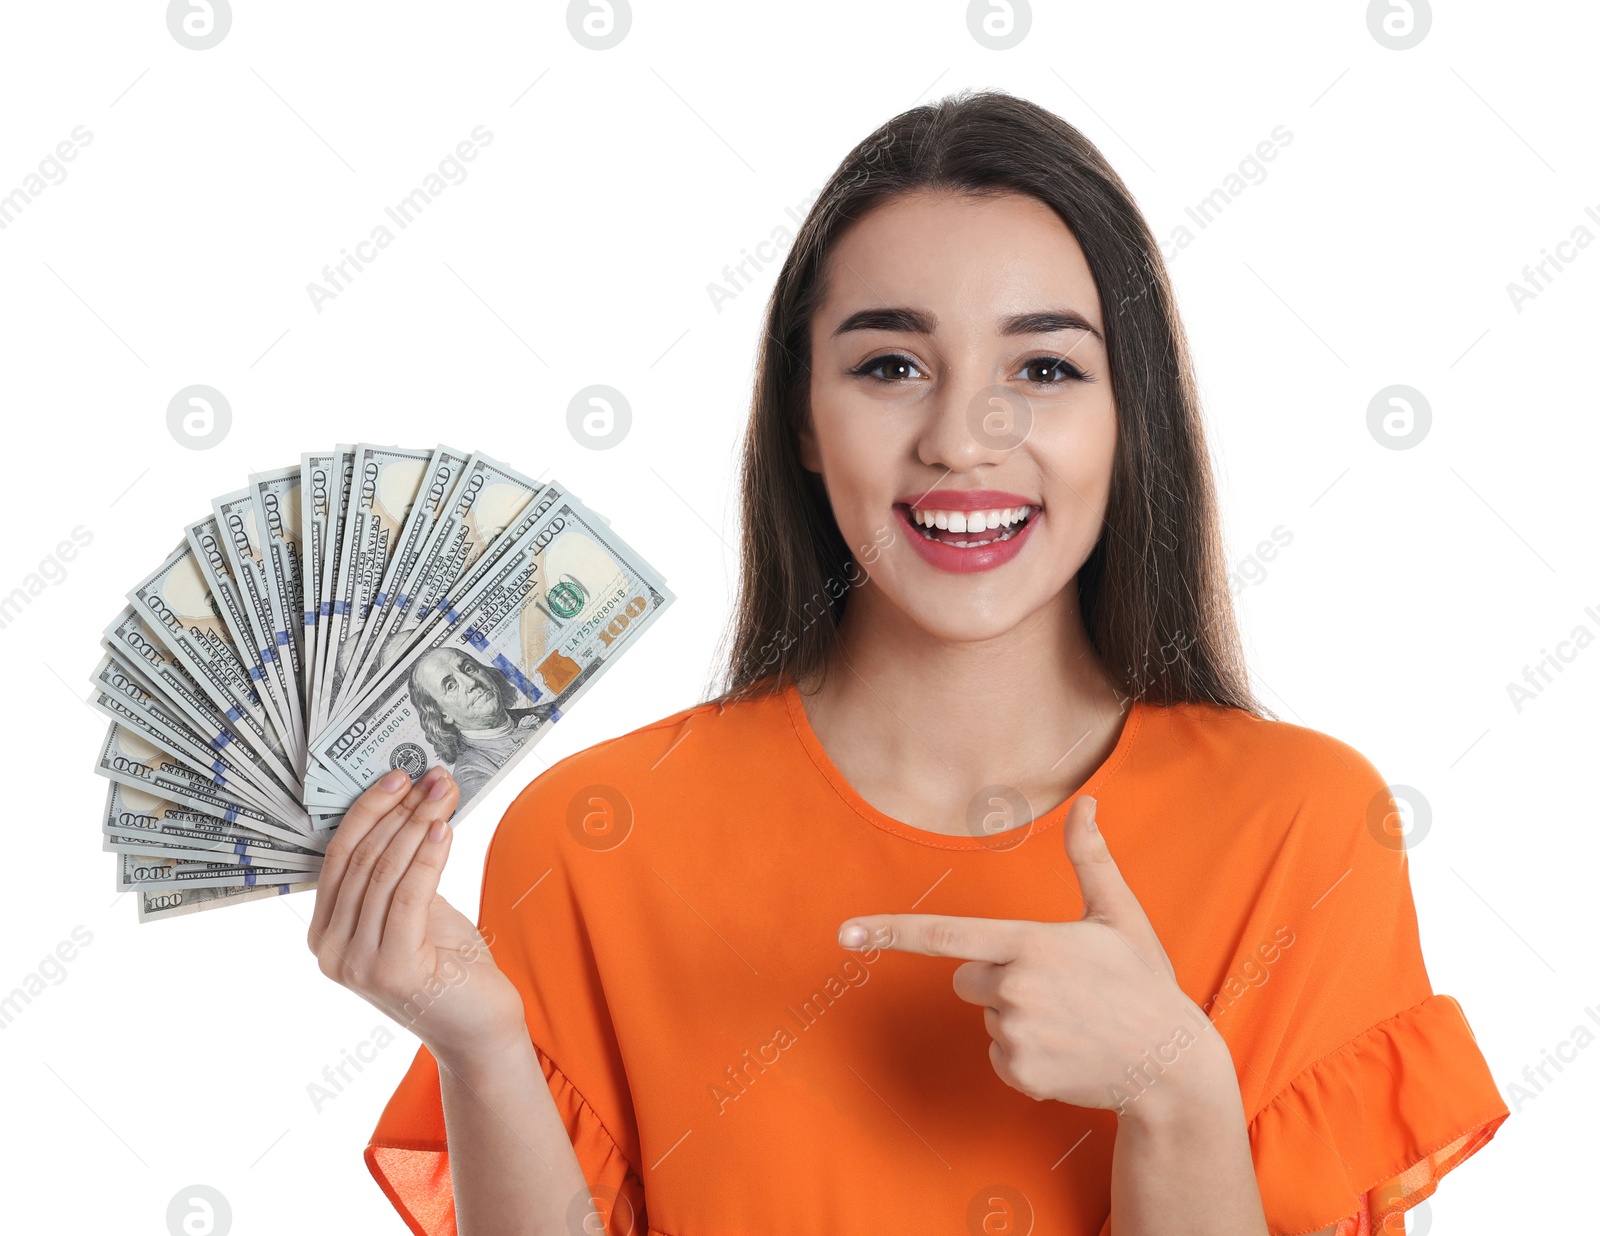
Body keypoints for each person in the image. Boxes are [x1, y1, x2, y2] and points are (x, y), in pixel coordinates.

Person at [308, 90, 1506, 1236]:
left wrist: (1174, 1088)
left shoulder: (1303, 827)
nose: (958, 437)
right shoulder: (589, 838)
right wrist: (477, 1045)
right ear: (802, 420)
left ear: (1127, 417)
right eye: (890, 365)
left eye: (1043, 369)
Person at [406, 647, 556, 805]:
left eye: (469, 668)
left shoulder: (550, 711)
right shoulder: (472, 777)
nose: (471, 682)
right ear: (443, 715)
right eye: (451, 685)